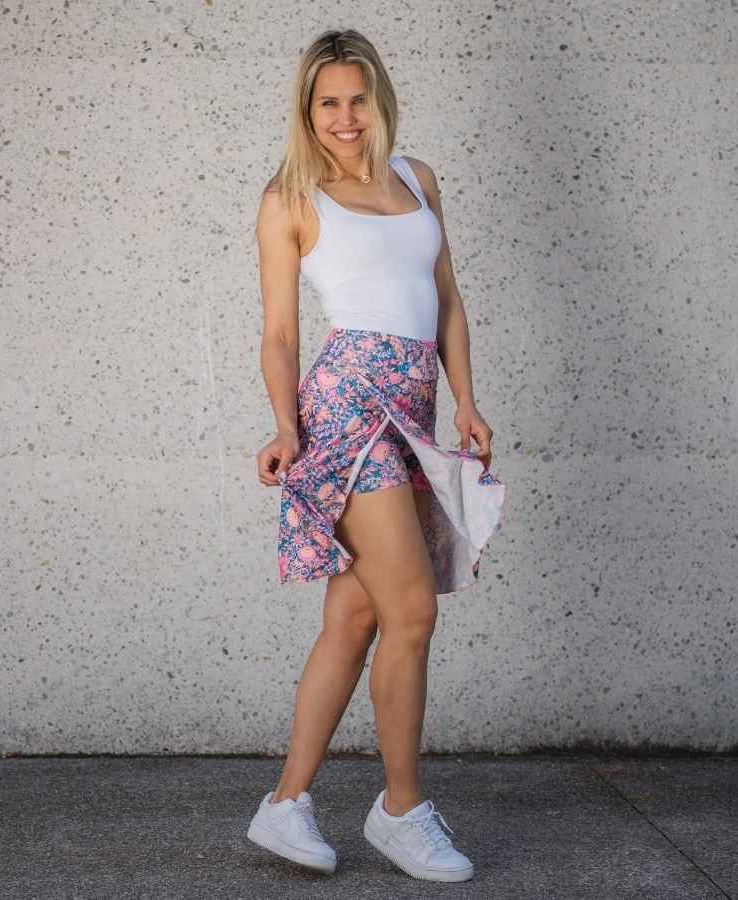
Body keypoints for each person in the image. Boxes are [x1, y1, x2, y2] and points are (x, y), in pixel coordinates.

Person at [248, 29, 505, 883]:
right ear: (307, 109)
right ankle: (401, 809)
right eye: (328, 102)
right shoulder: (291, 198)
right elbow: (280, 334)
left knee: (355, 619)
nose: (345, 117)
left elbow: (447, 301)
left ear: (380, 99)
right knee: (413, 613)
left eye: (358, 99)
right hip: (347, 410)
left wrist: (465, 401)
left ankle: (285, 804)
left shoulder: (418, 179)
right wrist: (287, 427)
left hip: (415, 411)